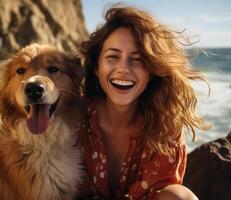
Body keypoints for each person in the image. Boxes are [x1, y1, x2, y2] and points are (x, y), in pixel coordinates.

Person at [78, 5, 206, 200]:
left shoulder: (164, 125)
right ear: (96, 66)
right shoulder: (72, 117)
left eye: (137, 60)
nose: (123, 69)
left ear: (152, 71)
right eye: (113, 56)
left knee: (179, 196)